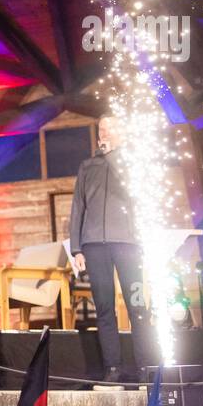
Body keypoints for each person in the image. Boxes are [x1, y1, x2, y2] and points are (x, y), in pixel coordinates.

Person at [68, 116, 156, 384]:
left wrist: (114, 154)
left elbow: (134, 191)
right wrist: (76, 248)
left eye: (110, 128)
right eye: (102, 128)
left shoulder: (132, 162)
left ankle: (145, 367)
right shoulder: (87, 166)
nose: (104, 132)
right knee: (104, 308)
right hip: (94, 246)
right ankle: (113, 369)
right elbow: (77, 207)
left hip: (128, 244)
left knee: (137, 306)